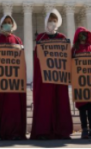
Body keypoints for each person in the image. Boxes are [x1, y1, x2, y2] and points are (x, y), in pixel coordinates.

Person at [30, 9, 73, 140]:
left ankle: (62, 131)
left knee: (61, 103)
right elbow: (37, 58)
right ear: (46, 22)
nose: (52, 23)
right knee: (44, 103)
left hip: (59, 78)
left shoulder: (62, 38)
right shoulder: (40, 37)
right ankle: (43, 131)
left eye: (54, 20)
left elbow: (67, 56)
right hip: (44, 79)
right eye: (50, 20)